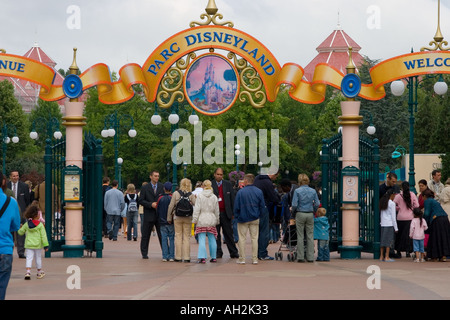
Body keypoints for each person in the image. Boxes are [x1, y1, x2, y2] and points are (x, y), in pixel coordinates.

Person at [233, 174, 265, 265]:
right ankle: (255, 258)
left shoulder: (241, 192)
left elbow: (236, 206)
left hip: (243, 218)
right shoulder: (259, 191)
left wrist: (236, 216)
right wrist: (259, 215)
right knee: (254, 238)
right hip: (255, 217)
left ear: (246, 181)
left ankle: (242, 258)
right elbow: (262, 206)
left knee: (242, 239)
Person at [0, 172, 21, 300]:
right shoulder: (11, 202)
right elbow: (15, 226)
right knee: (2, 286)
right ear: (3, 182)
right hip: (5, 249)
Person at [291, 173, 320, 263]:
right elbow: (317, 203)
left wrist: (293, 212)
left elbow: (294, 204)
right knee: (310, 235)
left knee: (300, 235)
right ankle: (310, 256)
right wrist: (314, 210)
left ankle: (300, 256)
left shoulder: (297, 191)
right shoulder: (313, 191)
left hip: (300, 213)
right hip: (310, 213)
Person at [253, 168, 280, 260]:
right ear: (274, 174)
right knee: (264, 231)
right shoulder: (268, 183)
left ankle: (255, 252)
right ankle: (262, 253)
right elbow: (273, 198)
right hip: (263, 207)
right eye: (276, 176)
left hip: (254, 207)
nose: (275, 178)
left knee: (255, 232)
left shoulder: (257, 178)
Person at [211, 168, 239, 259]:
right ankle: (218, 252)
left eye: (221, 174)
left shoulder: (228, 184)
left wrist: (233, 213)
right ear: (214, 174)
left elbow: (232, 199)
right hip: (215, 214)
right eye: (218, 174)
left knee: (229, 234)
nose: (220, 176)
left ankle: (233, 252)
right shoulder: (210, 185)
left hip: (226, 213)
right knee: (216, 234)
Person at [167, 178, 196, 262]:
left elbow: (171, 206)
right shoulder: (191, 194)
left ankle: (178, 257)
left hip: (177, 217)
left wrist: (169, 217)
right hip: (188, 217)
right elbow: (196, 205)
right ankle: (187, 257)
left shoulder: (176, 193)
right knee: (187, 237)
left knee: (178, 236)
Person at [17, 204, 49, 280]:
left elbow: (20, 232)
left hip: (28, 244)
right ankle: (39, 272)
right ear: (36, 215)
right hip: (37, 245)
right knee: (38, 258)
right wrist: (46, 245)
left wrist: (20, 228)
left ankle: (28, 272)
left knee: (29, 258)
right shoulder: (40, 225)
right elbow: (43, 236)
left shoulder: (26, 224)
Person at [192, 180, 220, 263]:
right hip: (211, 218)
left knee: (202, 238)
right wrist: (217, 220)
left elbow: (197, 209)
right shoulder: (214, 196)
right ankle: (214, 256)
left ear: (203, 186)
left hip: (202, 218)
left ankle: (202, 257)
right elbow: (216, 210)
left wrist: (195, 219)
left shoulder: (200, 196)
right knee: (212, 238)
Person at [139, 171, 164, 259]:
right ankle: (144, 253)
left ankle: (165, 253)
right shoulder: (145, 188)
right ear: (151, 177)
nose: (157, 177)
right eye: (155, 176)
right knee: (146, 235)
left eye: (158, 176)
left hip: (159, 215)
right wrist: (150, 204)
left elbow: (164, 198)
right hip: (148, 214)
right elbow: (141, 200)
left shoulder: (161, 186)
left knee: (162, 235)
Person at [7, 170, 31, 258]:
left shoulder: (24, 186)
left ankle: (21, 252)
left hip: (21, 213)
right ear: (10, 177)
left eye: (17, 175)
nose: (15, 177)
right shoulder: (6, 186)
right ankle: (9, 251)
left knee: (20, 233)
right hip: (9, 213)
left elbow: (27, 200)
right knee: (10, 233)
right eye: (13, 176)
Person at [422, 189, 450, 261]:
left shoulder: (427, 201)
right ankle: (443, 256)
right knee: (443, 237)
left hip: (436, 219)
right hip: (445, 218)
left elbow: (427, 213)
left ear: (424, 196)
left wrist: (424, 221)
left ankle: (435, 255)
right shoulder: (435, 201)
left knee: (435, 237)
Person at [393, 181, 419, 258]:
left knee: (399, 236)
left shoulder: (398, 196)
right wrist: (412, 210)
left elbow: (393, 205)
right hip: (410, 218)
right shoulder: (412, 194)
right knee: (408, 236)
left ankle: (398, 251)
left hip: (400, 218)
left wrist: (399, 208)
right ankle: (408, 251)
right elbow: (417, 205)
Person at [156, 182, 174, 261]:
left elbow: (157, 209)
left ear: (164, 188)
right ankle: (171, 256)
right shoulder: (172, 197)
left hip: (162, 221)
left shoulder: (160, 198)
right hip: (171, 221)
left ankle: (165, 256)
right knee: (172, 238)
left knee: (164, 239)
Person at [379, 189, 398, 262]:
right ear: (392, 195)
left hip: (383, 223)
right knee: (388, 241)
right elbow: (393, 217)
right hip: (389, 224)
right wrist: (396, 228)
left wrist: (381, 222)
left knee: (383, 240)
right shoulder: (392, 204)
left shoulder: (383, 202)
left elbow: (381, 214)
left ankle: (381, 256)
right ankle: (387, 256)